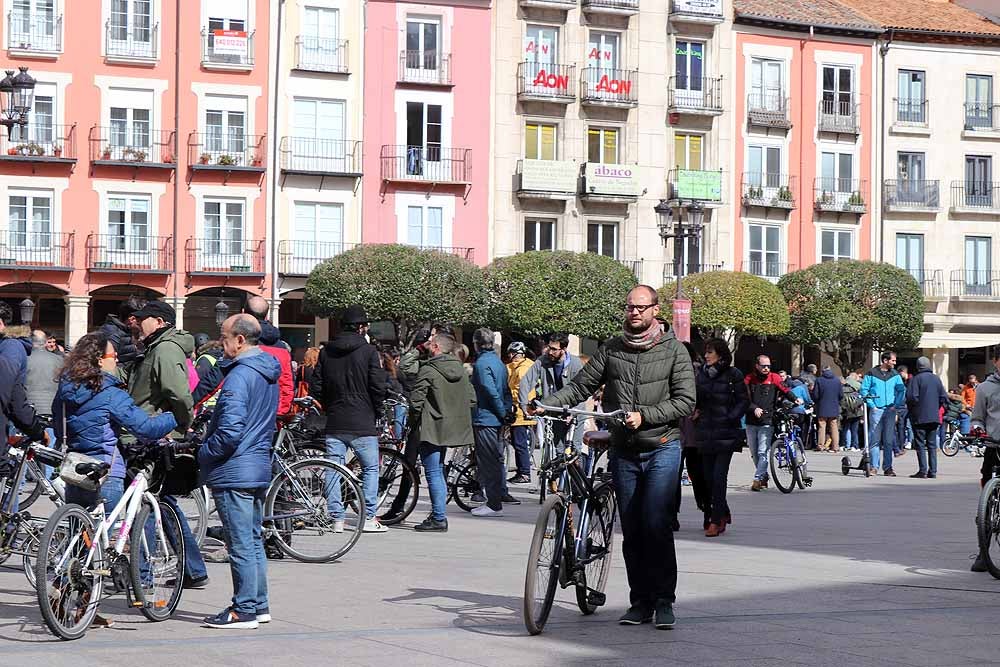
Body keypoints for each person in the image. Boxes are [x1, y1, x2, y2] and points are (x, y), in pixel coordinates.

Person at [529, 285, 696, 630]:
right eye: (629, 307)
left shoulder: (674, 351)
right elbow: (580, 386)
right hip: (625, 450)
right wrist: (546, 404)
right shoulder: (612, 348)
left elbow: (685, 401)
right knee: (633, 529)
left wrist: (645, 415)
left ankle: (664, 600)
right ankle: (641, 602)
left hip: (661, 445)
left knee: (656, 524)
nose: (634, 313)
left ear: (655, 309)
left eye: (640, 307)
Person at [199, 315, 281, 629]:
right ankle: (258, 605)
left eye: (224, 337)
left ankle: (244, 608)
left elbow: (230, 431)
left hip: (236, 467)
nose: (222, 343)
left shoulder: (238, 376)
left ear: (240, 340)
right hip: (257, 463)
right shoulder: (266, 371)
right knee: (252, 540)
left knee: (241, 543)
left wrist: (204, 453)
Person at [127, 300, 209, 587]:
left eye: (142, 318)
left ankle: (143, 575)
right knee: (160, 503)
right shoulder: (154, 347)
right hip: (147, 431)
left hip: (152, 434)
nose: (136, 322)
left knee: (146, 505)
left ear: (159, 321)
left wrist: (182, 426)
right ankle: (193, 569)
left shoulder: (165, 348)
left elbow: (177, 393)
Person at [309, 305, 388, 534]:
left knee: (334, 468)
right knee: (371, 469)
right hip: (363, 420)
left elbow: (317, 385)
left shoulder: (326, 352)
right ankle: (369, 517)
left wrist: (328, 405)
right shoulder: (369, 352)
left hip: (335, 419)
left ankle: (337, 519)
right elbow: (377, 385)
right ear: (361, 327)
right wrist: (378, 409)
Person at [409, 333, 477, 532]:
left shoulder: (428, 369)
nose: (428, 346)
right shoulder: (461, 370)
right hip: (452, 427)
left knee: (433, 471)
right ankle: (437, 513)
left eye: (431, 343)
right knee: (438, 470)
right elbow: (472, 400)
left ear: (437, 347)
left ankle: (439, 517)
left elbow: (416, 402)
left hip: (431, 427)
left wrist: (414, 422)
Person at [693, 338, 748, 537]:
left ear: (721, 354)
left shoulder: (733, 374)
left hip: (726, 433)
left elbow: (743, 401)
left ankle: (716, 520)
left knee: (718, 477)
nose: (706, 356)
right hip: (706, 431)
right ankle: (723, 511)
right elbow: (696, 398)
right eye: (705, 352)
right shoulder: (702, 375)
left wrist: (730, 417)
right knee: (707, 479)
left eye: (710, 352)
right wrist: (695, 410)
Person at [470, 328, 516, 517]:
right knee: (495, 459)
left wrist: (501, 411)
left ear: (476, 344)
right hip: (496, 418)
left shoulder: (481, 364)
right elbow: (505, 390)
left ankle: (494, 503)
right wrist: (507, 411)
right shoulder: (498, 362)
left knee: (489, 461)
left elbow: (490, 391)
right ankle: (494, 500)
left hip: (486, 417)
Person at [518, 333, 586, 453]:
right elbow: (526, 382)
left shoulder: (575, 364)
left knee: (574, 450)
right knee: (559, 450)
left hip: (575, 410)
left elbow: (581, 392)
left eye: (554, 349)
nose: (550, 352)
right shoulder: (542, 361)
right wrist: (524, 406)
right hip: (554, 410)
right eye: (549, 347)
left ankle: (577, 468)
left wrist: (573, 413)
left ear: (564, 349)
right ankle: (558, 471)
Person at [745, 355, 799, 490]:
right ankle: (763, 475)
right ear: (757, 366)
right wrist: (754, 408)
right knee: (754, 452)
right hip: (751, 421)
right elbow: (744, 398)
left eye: (768, 366)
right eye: (763, 366)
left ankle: (757, 479)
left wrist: (795, 399)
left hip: (767, 420)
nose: (766, 368)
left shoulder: (775, 378)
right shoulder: (749, 379)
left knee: (763, 451)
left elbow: (785, 390)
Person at [243, 295, 293, 416]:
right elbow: (287, 383)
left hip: (247, 411)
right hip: (273, 412)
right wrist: (280, 412)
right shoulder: (282, 347)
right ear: (266, 315)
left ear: (244, 314)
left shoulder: (241, 344)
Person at [860, 351, 903, 476]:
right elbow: (864, 390)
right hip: (877, 410)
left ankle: (888, 467)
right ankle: (873, 467)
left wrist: (896, 405)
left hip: (890, 410)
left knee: (888, 440)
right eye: (893, 360)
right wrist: (872, 406)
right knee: (874, 439)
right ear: (885, 360)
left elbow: (901, 390)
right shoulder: (871, 373)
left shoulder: (895, 375)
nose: (895, 363)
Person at [905, 356, 948, 479]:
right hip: (933, 416)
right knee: (932, 444)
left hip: (919, 416)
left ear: (918, 366)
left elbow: (912, 397)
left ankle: (923, 470)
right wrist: (935, 407)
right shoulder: (936, 379)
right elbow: (943, 397)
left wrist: (914, 409)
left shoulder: (916, 379)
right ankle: (933, 471)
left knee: (919, 443)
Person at [506, 341, 535, 485]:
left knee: (520, 443)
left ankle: (524, 473)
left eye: (512, 353)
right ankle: (522, 471)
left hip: (520, 409)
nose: (510, 356)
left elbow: (522, 389)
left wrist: (509, 395)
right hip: (519, 409)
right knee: (519, 442)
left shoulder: (523, 369)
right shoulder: (519, 366)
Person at [100, 296, 144, 371]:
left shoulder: (129, 331)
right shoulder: (112, 333)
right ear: (132, 319)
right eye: (143, 319)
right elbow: (106, 364)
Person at [25, 330, 61, 416]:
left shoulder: (25, 359)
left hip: (29, 406)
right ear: (45, 343)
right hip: (53, 407)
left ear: (31, 342)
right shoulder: (59, 360)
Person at [812, 366, 843, 453]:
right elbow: (841, 395)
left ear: (822, 371)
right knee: (834, 426)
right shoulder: (837, 380)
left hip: (822, 406)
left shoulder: (819, 380)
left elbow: (815, 395)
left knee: (822, 426)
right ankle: (835, 446)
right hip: (834, 406)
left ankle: (821, 445)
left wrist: (817, 401)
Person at [840, 373, 864, 452]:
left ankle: (843, 445)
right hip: (856, 412)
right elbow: (861, 400)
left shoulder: (842, 389)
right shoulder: (857, 388)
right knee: (854, 430)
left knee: (845, 429)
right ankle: (855, 446)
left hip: (846, 412)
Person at [893, 365, 912, 456]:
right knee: (901, 428)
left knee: (898, 428)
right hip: (902, 408)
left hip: (900, 408)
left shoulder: (897, 384)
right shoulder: (903, 385)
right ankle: (899, 446)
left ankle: (898, 446)